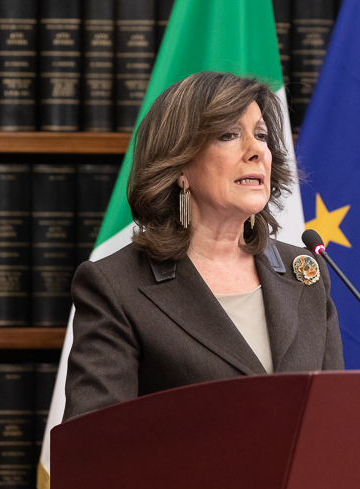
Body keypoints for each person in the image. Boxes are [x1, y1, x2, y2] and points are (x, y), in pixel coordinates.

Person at [63, 72, 344, 421]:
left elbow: (334, 420)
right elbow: (93, 450)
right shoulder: (115, 286)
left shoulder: (305, 272)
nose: (256, 150)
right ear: (179, 165)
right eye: (228, 135)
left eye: (261, 136)